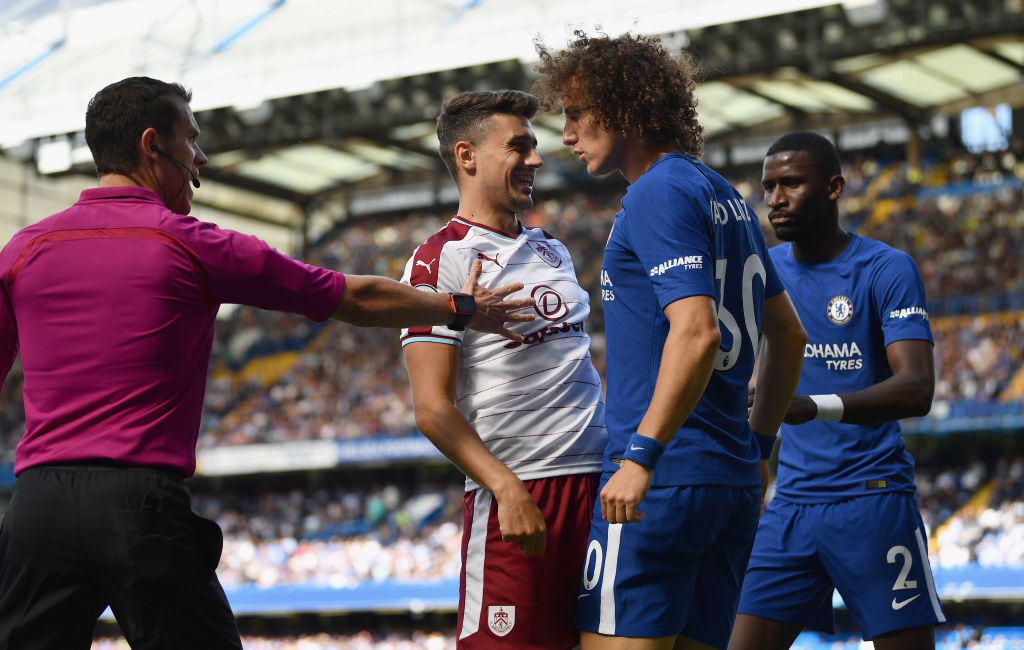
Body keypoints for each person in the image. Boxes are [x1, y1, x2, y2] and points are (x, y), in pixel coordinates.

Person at [0, 76, 534, 650]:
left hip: (36, 509)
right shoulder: (193, 243)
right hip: (140, 505)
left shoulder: (23, 250)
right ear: (152, 145)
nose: (200, 156)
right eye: (192, 140)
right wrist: (456, 305)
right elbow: (354, 297)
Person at [532, 33, 806, 650]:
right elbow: (788, 334)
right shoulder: (723, 195)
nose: (567, 134)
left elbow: (698, 330)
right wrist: (757, 447)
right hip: (728, 483)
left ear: (623, 106)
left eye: (576, 113)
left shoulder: (655, 193)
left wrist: (640, 458)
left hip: (662, 482)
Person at [400, 89, 606, 649]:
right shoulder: (441, 258)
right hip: (521, 496)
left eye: (535, 146)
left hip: (600, 488)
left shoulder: (553, 251)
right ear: (467, 157)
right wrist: (505, 487)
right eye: (519, 147)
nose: (536, 159)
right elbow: (431, 408)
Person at [729, 131, 946, 650]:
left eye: (791, 184)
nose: (775, 199)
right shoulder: (767, 271)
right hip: (791, 506)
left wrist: (812, 407)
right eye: (768, 186)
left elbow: (917, 388)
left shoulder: (886, 268)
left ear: (833, 187)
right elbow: (761, 367)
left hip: (872, 500)